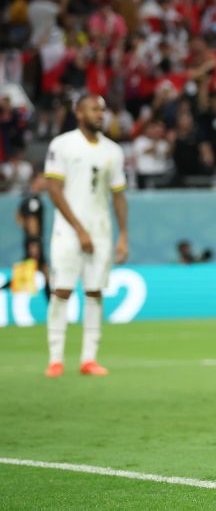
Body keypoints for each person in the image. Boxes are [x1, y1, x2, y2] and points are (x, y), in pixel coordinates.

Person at [43, 95, 129, 378]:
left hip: (101, 231)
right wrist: (79, 229)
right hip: (67, 231)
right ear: (79, 113)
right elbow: (54, 189)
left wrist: (123, 235)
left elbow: (118, 196)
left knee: (94, 293)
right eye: (94, 109)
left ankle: (88, 359)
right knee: (62, 290)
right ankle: (55, 359)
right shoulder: (62, 145)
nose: (101, 114)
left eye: (103, 110)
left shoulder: (113, 151)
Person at [10, 172, 49, 301]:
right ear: (36, 180)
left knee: (38, 272)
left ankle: (54, 309)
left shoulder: (27, 198)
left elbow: (18, 217)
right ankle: (54, 310)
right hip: (34, 242)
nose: (46, 182)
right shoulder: (34, 200)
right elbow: (32, 222)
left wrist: (25, 229)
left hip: (31, 241)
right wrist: (34, 242)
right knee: (36, 273)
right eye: (43, 179)